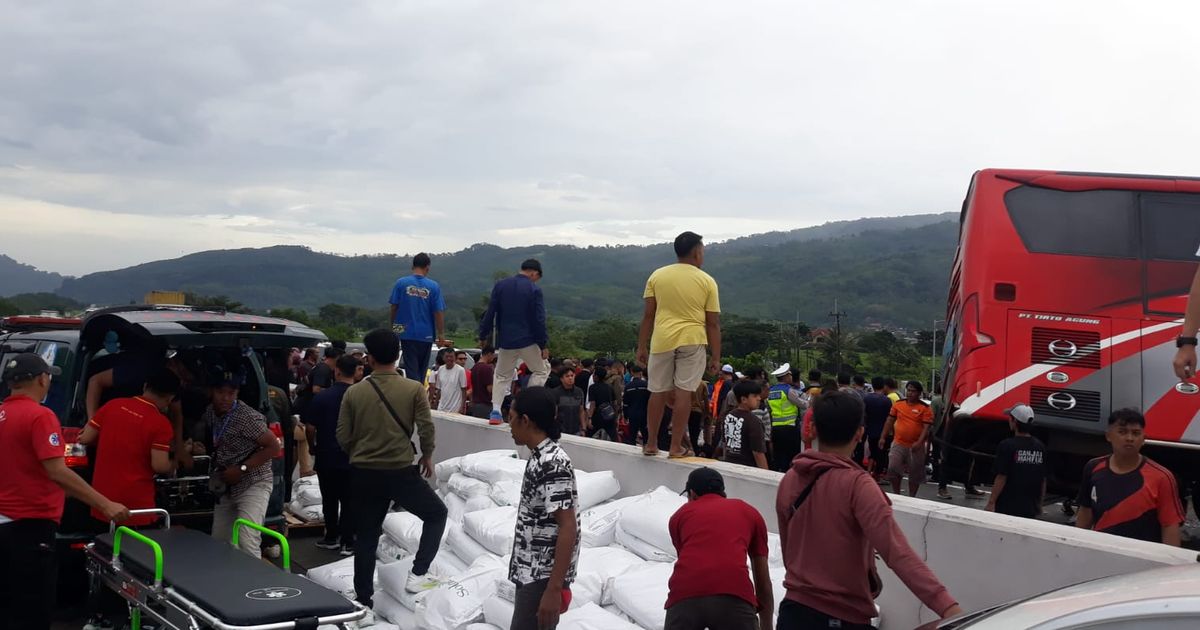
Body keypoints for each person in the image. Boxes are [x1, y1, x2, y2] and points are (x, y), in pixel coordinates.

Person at [776, 390, 961, 629]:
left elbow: (788, 549)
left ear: (812, 429)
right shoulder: (859, 485)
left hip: (793, 613)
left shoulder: (792, 477)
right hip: (842, 618)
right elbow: (897, 554)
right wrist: (949, 608)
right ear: (860, 434)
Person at [0, 355, 130, 630]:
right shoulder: (40, 416)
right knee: (31, 611)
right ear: (42, 379)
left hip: (5, 523)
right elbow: (57, 471)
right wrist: (105, 504)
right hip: (29, 526)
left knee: (8, 604)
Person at [339, 329, 447, 616]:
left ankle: (363, 601)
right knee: (436, 514)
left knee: (367, 536)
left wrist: (358, 453)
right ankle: (418, 572)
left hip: (363, 473)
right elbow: (426, 427)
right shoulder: (413, 389)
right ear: (398, 355)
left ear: (369, 359)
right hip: (400, 472)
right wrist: (427, 455)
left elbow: (342, 435)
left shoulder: (354, 391)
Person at [636, 231, 722, 458]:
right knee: (684, 392)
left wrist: (641, 346)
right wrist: (715, 357)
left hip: (662, 339)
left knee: (657, 391)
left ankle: (652, 444)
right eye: (702, 250)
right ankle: (675, 447)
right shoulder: (707, 281)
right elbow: (712, 324)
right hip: (693, 340)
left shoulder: (657, 276)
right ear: (696, 252)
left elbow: (648, 315)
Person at [507, 387, 580, 630]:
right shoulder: (539, 456)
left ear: (525, 420)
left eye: (511, 417)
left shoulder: (552, 464)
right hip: (531, 572)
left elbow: (568, 526)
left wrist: (553, 589)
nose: (508, 425)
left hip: (541, 577)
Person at [666, 468, 773, 630]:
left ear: (692, 494)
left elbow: (690, 567)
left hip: (684, 596)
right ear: (723, 492)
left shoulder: (679, 517)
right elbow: (763, 580)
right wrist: (767, 626)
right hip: (735, 594)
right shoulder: (749, 512)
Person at [79, 368, 180, 526]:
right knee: (134, 549)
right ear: (170, 398)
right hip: (136, 507)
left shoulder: (113, 405)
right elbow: (160, 466)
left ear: (145, 386)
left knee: (103, 546)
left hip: (102, 502)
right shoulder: (161, 424)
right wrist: (175, 463)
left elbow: (85, 438)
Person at [1076, 408, 1185, 546]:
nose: (1129, 438)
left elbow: (1170, 526)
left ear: (1143, 439)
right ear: (1108, 436)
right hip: (1102, 553)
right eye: (1122, 432)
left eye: (1136, 433)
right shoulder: (1093, 467)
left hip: (1143, 558)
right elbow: (1085, 513)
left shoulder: (1162, 477)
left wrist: (1172, 564)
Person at [206, 366, 280, 558]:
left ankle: (253, 585)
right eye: (220, 392)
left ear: (237, 393)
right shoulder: (211, 413)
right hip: (226, 485)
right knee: (219, 540)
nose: (225, 398)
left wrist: (242, 468)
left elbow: (274, 446)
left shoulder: (247, 418)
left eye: (231, 393)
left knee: (247, 540)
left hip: (253, 482)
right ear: (211, 392)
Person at [479, 259, 551, 424]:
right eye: (537, 277)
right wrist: (543, 344)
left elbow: (490, 312)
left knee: (501, 375)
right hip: (528, 340)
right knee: (541, 370)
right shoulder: (534, 289)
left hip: (507, 342)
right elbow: (539, 319)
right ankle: (528, 404)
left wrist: (483, 335)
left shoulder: (501, 286)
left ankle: (496, 411)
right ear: (534, 273)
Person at [303, 354, 361, 555]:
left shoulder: (322, 397)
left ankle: (330, 538)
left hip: (326, 456)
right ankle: (348, 542)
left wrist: (312, 447)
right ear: (356, 373)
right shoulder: (360, 397)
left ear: (336, 371)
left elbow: (309, 428)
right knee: (349, 500)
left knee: (329, 499)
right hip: (353, 457)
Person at [390, 253, 450, 384]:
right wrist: (441, 335)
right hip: (426, 334)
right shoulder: (434, 286)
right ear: (427, 267)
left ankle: (414, 396)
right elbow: (438, 312)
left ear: (412, 266)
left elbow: (394, 307)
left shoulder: (401, 283)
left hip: (405, 333)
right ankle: (418, 395)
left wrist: (394, 329)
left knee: (411, 369)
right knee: (422, 370)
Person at [985, 404, 1047, 519]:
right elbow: (1042, 479)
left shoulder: (1007, 445)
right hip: (1030, 507)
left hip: (1007, 506)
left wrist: (991, 502)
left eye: (1010, 418)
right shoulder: (1040, 447)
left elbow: (1001, 477)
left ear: (1015, 422)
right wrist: (1040, 504)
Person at [879, 381, 933, 498]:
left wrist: (919, 443)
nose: (910, 393)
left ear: (919, 393)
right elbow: (889, 421)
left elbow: (926, 428)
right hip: (898, 443)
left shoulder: (925, 408)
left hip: (915, 447)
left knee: (915, 473)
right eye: (908, 390)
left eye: (913, 391)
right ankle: (897, 494)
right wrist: (883, 437)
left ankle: (912, 496)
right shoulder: (898, 404)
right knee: (893, 468)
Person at [717, 380, 769, 469]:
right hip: (748, 470)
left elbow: (725, 444)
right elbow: (758, 453)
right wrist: (767, 474)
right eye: (755, 396)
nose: (759, 398)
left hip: (730, 466)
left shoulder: (729, 416)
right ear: (743, 399)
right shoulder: (754, 421)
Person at [768, 364, 801, 472]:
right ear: (786, 377)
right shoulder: (788, 390)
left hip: (776, 428)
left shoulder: (771, 390)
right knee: (792, 456)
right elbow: (802, 404)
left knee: (779, 455)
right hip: (790, 428)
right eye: (790, 375)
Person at [862, 378, 892, 481]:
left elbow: (864, 415)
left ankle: (869, 471)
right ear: (883, 386)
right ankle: (877, 474)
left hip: (870, 430)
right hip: (884, 431)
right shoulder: (887, 400)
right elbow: (890, 417)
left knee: (872, 451)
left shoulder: (866, 398)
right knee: (881, 453)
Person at [431, 348, 469, 415]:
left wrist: (462, 407)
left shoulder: (460, 370)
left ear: (454, 358)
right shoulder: (441, 369)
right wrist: (435, 403)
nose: (449, 359)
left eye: (451, 357)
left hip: (455, 408)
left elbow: (464, 390)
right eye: (447, 357)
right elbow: (438, 389)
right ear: (443, 358)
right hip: (441, 407)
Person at [551, 369, 587, 436]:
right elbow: (554, 414)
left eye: (572, 375)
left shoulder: (579, 391)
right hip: (561, 430)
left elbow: (581, 411)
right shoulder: (555, 392)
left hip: (577, 430)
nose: (570, 378)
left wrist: (583, 428)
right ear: (561, 379)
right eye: (567, 376)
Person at [586, 366, 618, 441]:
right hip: (609, 415)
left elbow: (592, 404)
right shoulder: (609, 387)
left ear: (596, 376)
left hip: (597, 416)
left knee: (589, 435)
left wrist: (589, 418)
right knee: (613, 436)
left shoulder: (592, 388)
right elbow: (615, 403)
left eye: (593, 375)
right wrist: (615, 416)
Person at [624, 365, 651, 446]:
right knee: (646, 435)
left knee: (632, 436)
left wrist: (625, 416)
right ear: (641, 373)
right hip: (645, 414)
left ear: (632, 373)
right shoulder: (646, 385)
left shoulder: (628, 386)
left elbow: (625, 403)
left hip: (632, 414)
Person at [469, 346, 498, 419]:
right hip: (485, 404)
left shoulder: (475, 367)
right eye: (493, 355)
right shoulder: (487, 368)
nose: (493, 358)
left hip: (476, 403)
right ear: (489, 354)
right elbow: (490, 389)